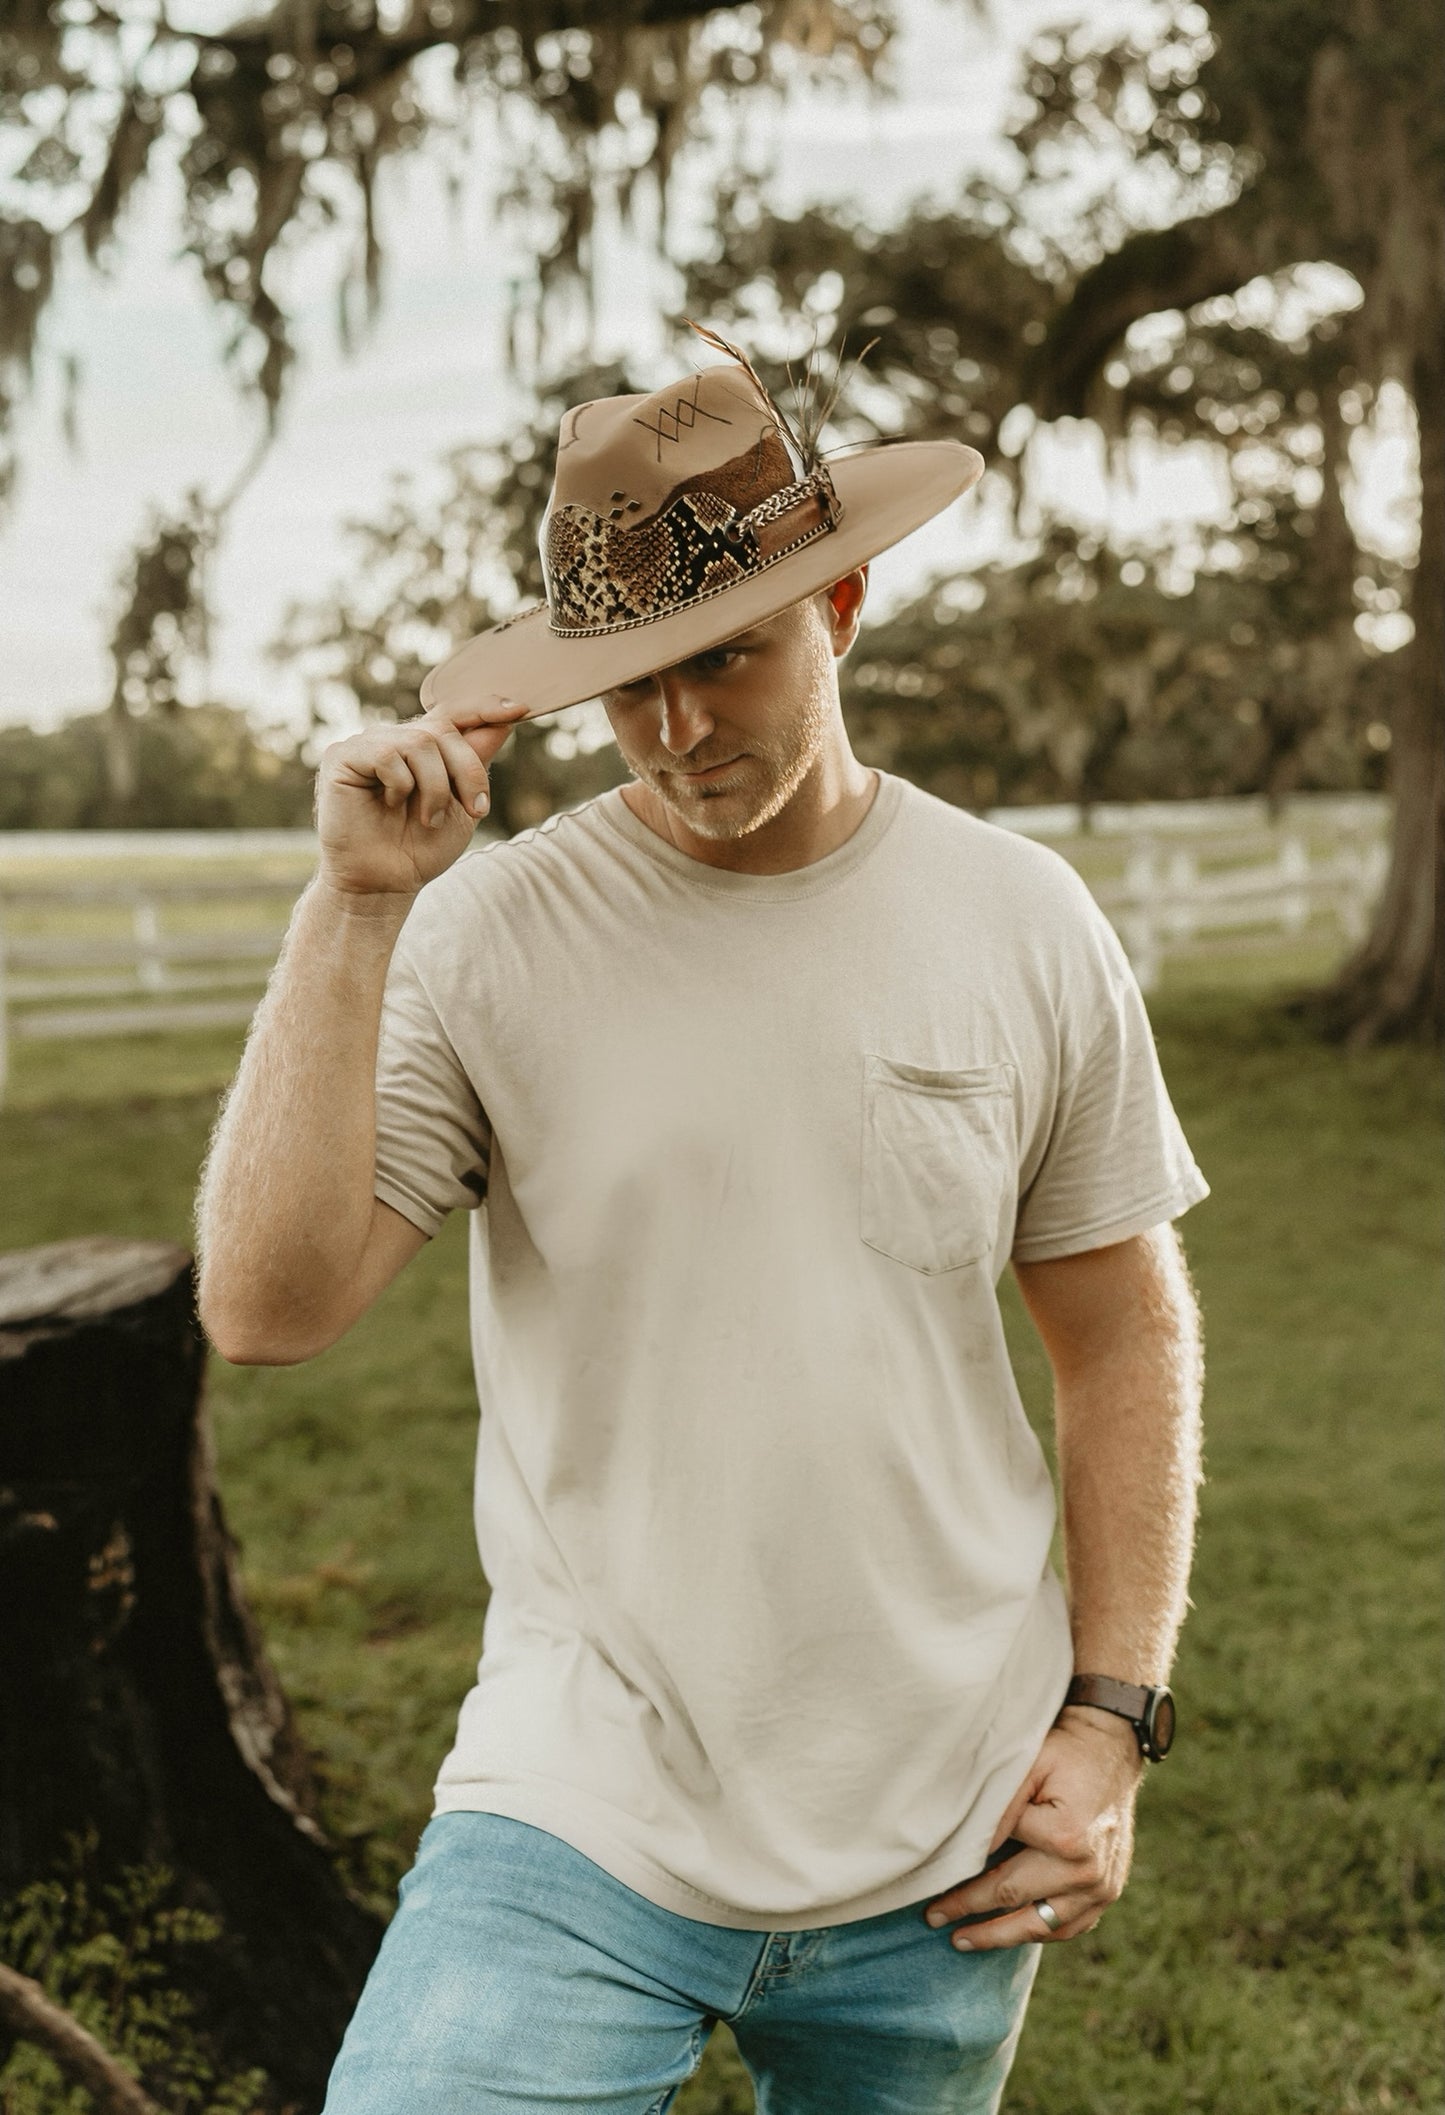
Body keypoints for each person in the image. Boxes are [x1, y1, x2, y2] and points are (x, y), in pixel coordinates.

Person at [196, 347, 1208, 2115]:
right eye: (628, 686)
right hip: (583, 1807)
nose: (675, 732)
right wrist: (353, 909)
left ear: (842, 602)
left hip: (947, 1829)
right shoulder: (489, 932)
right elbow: (268, 1311)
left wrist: (1108, 1721)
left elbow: (1120, 1329)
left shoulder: (1019, 919)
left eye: (723, 658)